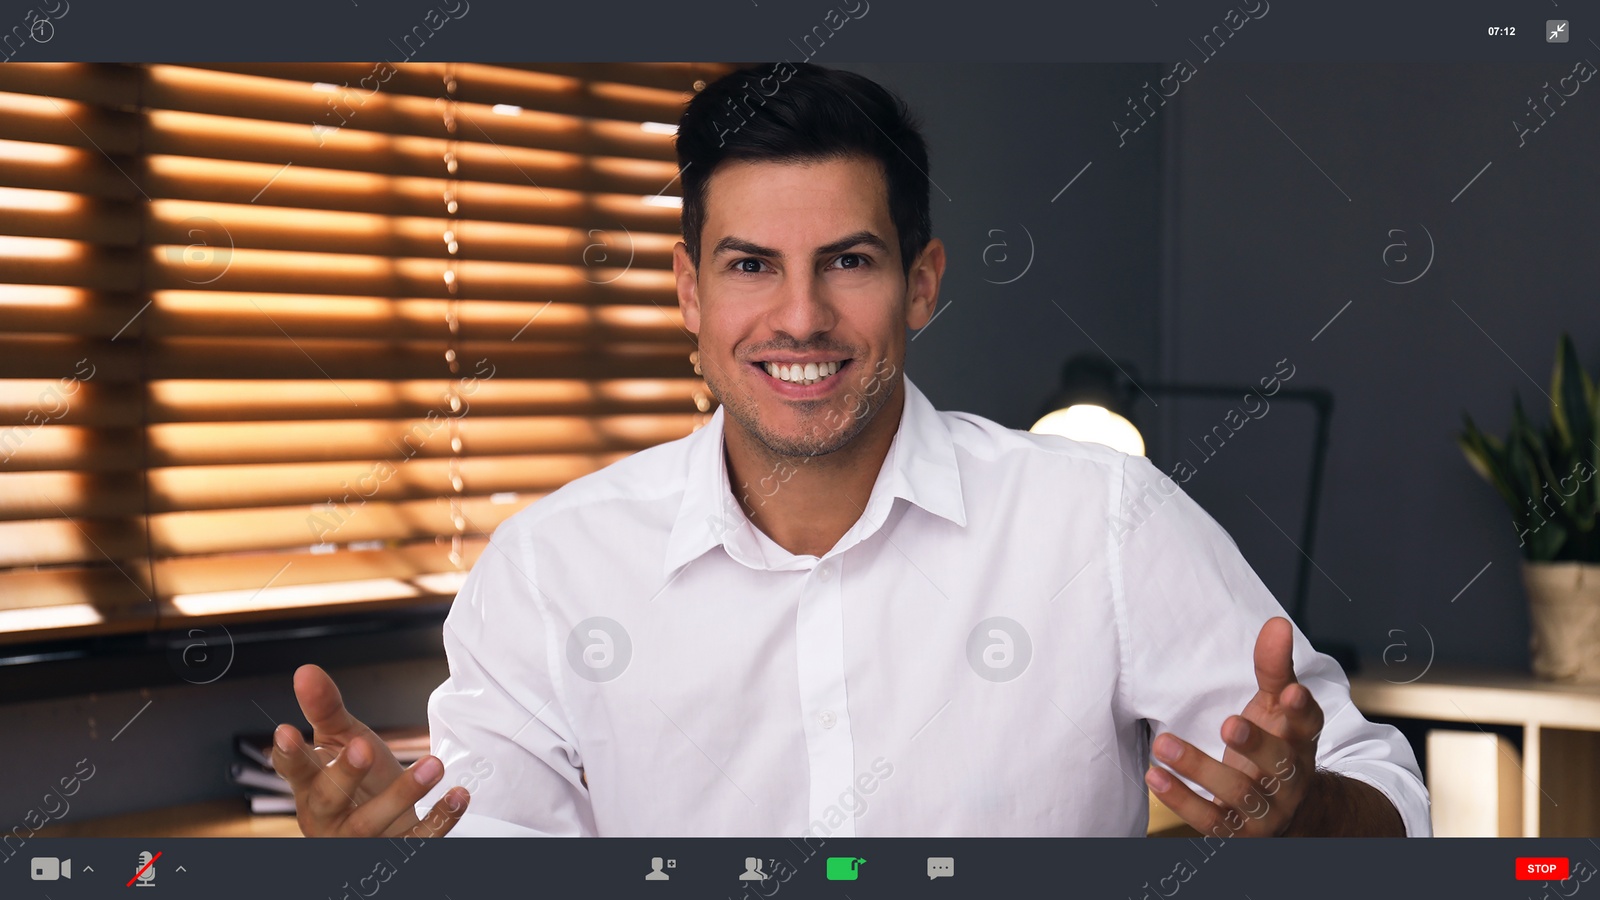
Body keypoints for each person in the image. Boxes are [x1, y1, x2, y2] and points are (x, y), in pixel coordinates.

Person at [270, 62, 1428, 839]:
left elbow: (1384, 799)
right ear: (686, 290)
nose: (800, 318)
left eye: (849, 261)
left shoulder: (1100, 521)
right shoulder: (548, 569)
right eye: (749, 265)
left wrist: (1303, 810)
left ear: (922, 281)